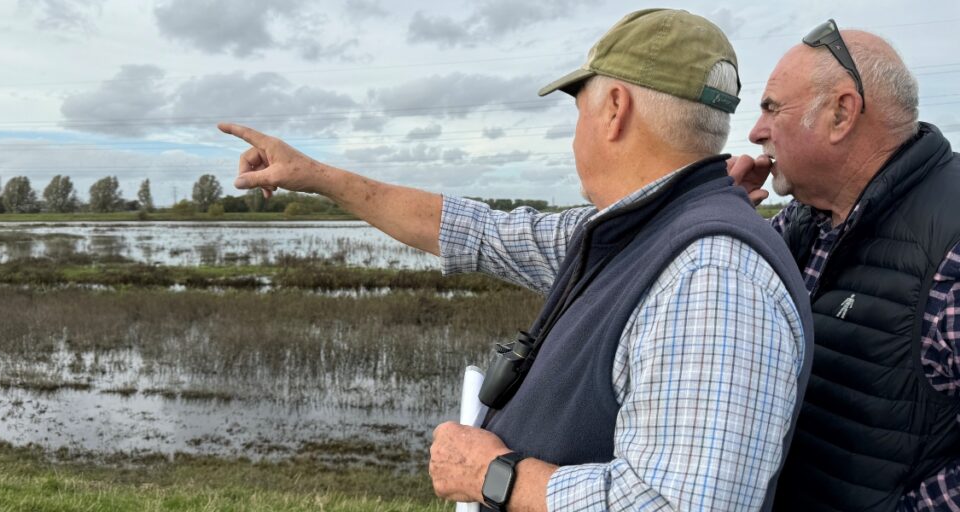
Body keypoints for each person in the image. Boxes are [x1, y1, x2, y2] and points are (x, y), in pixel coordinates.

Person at [220, 9, 814, 511]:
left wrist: (497, 476)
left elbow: (680, 505)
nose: (576, 128)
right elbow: (472, 231)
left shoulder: (711, 278)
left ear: (614, 108)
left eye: (576, 105)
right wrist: (314, 176)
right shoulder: (629, 235)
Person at [728, 19, 960, 511]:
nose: (755, 131)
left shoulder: (952, 241)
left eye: (771, 108)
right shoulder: (804, 221)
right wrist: (721, 213)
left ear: (841, 113)